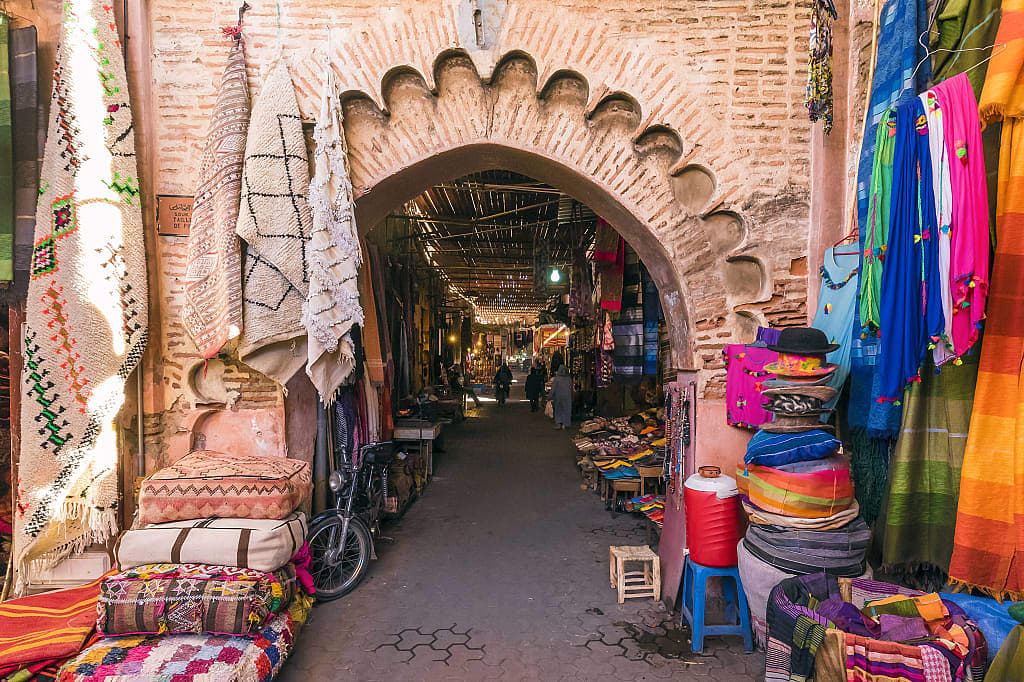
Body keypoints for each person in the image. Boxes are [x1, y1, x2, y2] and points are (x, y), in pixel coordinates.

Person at [549, 365, 572, 429]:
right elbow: (571, 388)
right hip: (567, 397)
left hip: (558, 397)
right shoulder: (569, 379)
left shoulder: (557, 379)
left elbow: (553, 389)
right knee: (566, 410)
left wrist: (550, 396)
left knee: (558, 410)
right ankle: (565, 424)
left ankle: (559, 423)